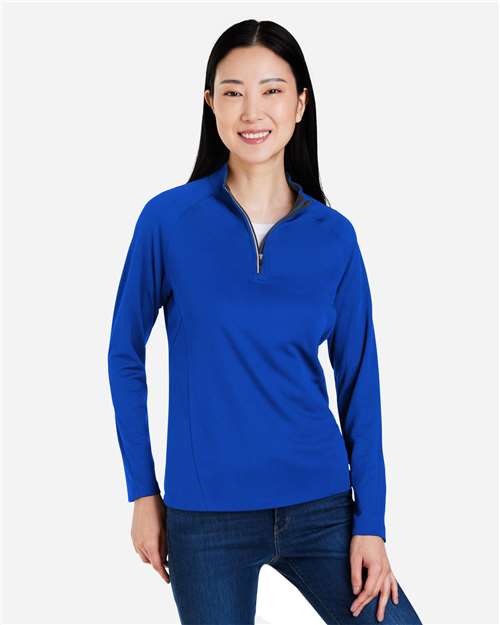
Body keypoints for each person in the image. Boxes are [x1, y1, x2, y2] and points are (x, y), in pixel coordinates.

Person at [107, 18, 423, 625]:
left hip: (323, 506)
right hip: (207, 517)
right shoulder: (167, 222)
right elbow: (125, 355)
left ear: (300, 104)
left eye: (272, 90)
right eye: (233, 92)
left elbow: (361, 383)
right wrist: (143, 492)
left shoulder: (335, 236)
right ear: (210, 104)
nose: (252, 111)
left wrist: (373, 522)